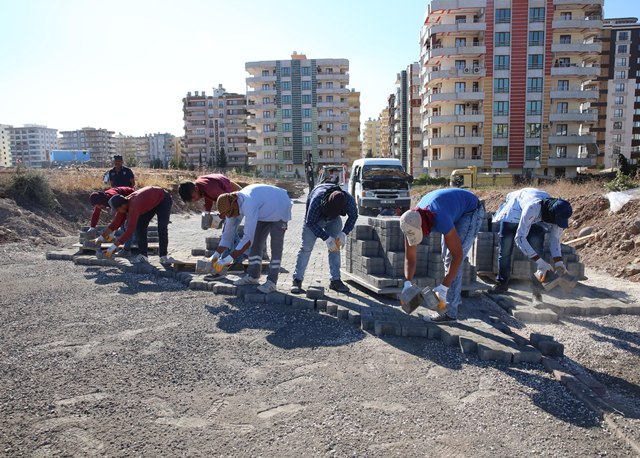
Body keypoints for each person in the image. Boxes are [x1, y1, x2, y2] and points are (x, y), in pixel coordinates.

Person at [399, 188, 485, 323]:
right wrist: (407, 283)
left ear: (423, 226)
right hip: (451, 208)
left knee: (452, 257)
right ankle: (452, 298)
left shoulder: (440, 218)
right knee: (446, 259)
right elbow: (410, 258)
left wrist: (444, 287)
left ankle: (450, 313)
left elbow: (458, 256)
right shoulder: (409, 221)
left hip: (470, 211)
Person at [489, 188, 573, 299]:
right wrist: (540, 262)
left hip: (536, 217)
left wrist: (559, 262)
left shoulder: (558, 214)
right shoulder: (532, 208)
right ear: (550, 215)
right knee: (505, 250)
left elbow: (555, 239)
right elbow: (519, 238)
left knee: (537, 246)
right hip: (514, 212)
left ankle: (536, 290)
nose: (557, 224)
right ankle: (502, 284)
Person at [212, 184, 292, 294]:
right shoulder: (230, 208)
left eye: (230, 213)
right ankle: (253, 276)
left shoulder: (249, 204)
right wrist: (215, 255)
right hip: (263, 209)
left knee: (276, 247)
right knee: (256, 244)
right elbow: (227, 235)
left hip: (280, 206)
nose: (229, 216)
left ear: (234, 205)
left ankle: (272, 282)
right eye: (227, 214)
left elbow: (247, 239)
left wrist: (227, 259)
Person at [290, 183, 358, 294]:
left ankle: (335, 280)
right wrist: (326, 238)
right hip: (315, 220)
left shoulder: (348, 200)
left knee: (335, 247)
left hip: (334, 220)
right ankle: (297, 280)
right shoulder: (317, 200)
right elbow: (310, 223)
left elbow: (354, 216)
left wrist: (344, 233)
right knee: (306, 248)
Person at [98, 186, 173, 263]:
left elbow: (130, 230)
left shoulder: (134, 205)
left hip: (163, 199)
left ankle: (163, 256)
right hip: (149, 202)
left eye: (117, 209)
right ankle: (143, 256)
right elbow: (115, 224)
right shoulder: (123, 204)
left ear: (122, 206)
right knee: (140, 226)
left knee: (162, 227)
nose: (117, 211)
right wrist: (100, 239)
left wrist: (111, 248)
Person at [88, 186, 135, 255]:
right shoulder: (100, 200)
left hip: (130, 195)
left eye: (98, 205)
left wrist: (110, 233)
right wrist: (92, 227)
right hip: (121, 203)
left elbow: (119, 218)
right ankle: (129, 240)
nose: (98, 207)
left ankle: (126, 250)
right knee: (122, 225)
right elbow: (96, 213)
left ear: (101, 202)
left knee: (127, 226)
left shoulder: (113, 198)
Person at [177, 174, 242, 211]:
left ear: (196, 189)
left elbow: (227, 200)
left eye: (193, 197)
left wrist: (221, 215)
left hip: (233, 190)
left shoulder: (210, 188)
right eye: (191, 200)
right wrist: (208, 211)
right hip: (224, 185)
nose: (194, 200)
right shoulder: (199, 186)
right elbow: (207, 196)